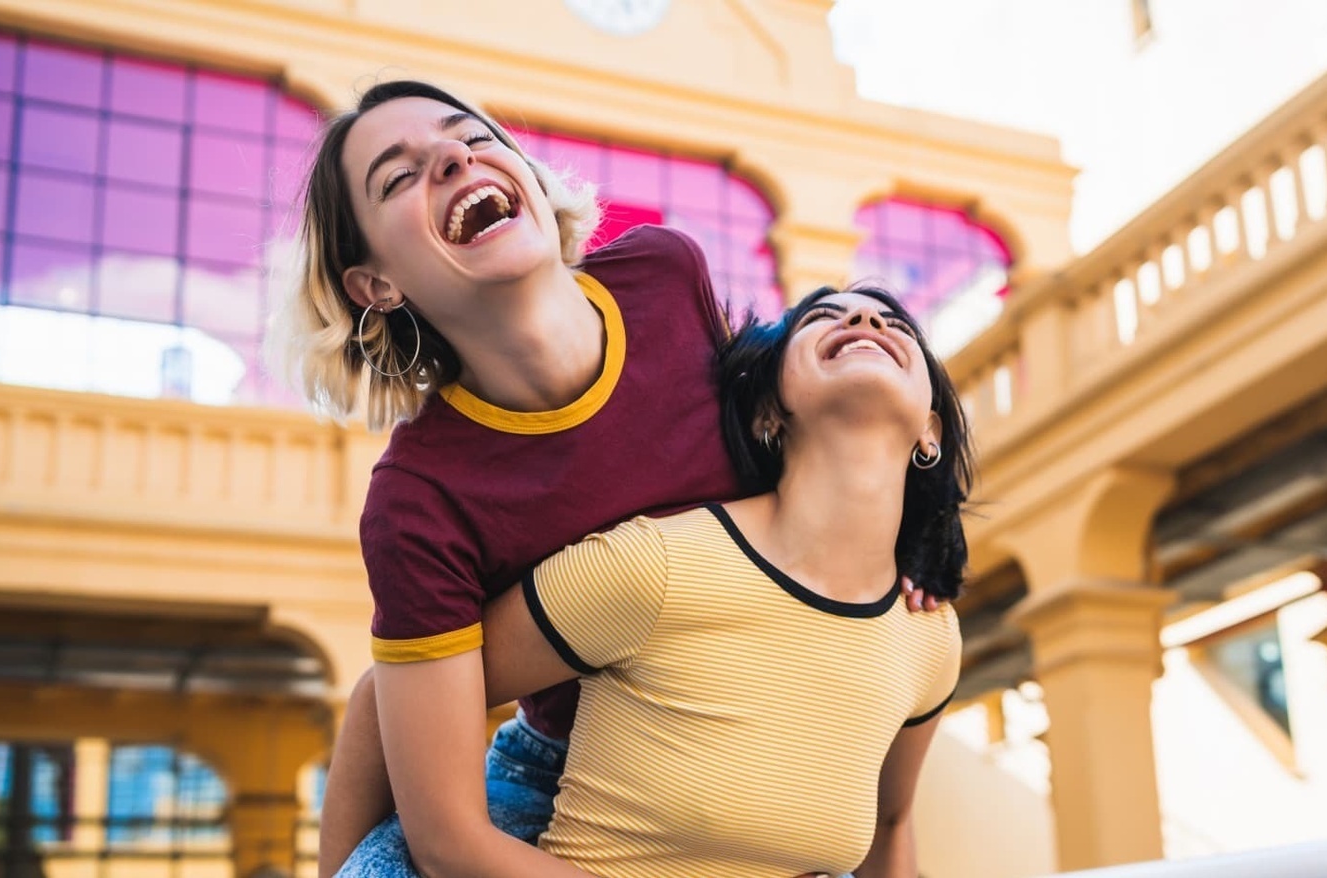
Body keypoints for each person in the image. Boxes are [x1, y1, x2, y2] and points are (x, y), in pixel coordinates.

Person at [269, 81, 941, 878]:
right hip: (551, 785)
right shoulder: (419, 499)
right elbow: (438, 818)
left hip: (740, 751)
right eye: (398, 176)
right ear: (375, 284)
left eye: (472, 137)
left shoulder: (666, 277)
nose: (454, 156)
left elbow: (809, 434)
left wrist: (908, 542)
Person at [471, 284, 969, 878]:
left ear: (929, 430)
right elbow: (389, 696)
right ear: (768, 411)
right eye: (822, 318)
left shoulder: (929, 638)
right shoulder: (653, 565)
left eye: (896, 324)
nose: (865, 318)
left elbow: (889, 831)